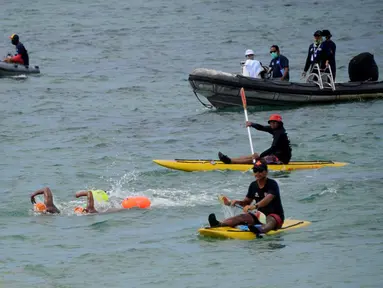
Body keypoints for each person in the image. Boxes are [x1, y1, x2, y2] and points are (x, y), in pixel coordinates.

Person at [208, 160, 285, 234]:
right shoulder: (253, 185)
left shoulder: (272, 184)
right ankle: (219, 224)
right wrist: (233, 202)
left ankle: (261, 229)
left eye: (260, 171)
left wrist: (254, 206)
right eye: (255, 171)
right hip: (259, 216)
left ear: (266, 172)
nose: (257, 173)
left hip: (275, 216)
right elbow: (246, 202)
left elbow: (268, 198)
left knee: (270, 219)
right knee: (242, 217)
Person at [218, 114, 292, 165]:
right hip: (275, 154)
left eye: (274, 122)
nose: (272, 124)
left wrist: (261, 156)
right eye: (271, 122)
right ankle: (230, 159)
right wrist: (252, 124)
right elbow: (261, 127)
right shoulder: (275, 129)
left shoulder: (280, 133)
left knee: (257, 159)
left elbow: (273, 148)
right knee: (252, 156)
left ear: (279, 123)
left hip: (281, 159)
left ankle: (230, 162)